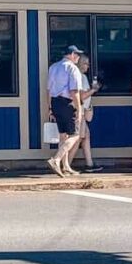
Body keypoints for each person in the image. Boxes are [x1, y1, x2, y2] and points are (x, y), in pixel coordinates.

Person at [46, 45, 84, 178]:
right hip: (67, 102)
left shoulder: (53, 67)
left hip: (56, 102)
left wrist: (50, 107)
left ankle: (66, 166)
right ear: (72, 54)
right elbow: (74, 91)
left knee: (63, 135)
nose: (78, 57)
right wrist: (79, 109)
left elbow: (49, 90)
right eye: (77, 55)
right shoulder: (72, 68)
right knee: (75, 134)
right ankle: (56, 159)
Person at [68, 54, 104, 173]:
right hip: (80, 111)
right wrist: (93, 89)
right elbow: (82, 96)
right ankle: (66, 164)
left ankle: (89, 163)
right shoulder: (81, 77)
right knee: (78, 138)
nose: (88, 66)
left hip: (80, 110)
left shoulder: (76, 75)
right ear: (79, 64)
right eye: (85, 63)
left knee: (86, 136)